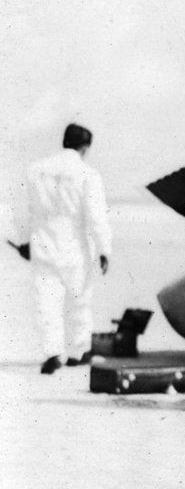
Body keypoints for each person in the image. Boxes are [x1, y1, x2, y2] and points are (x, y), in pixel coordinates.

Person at [21, 123, 112, 374]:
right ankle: (77, 352)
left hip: (43, 242)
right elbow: (96, 216)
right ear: (85, 147)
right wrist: (104, 249)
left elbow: (25, 210)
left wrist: (23, 242)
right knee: (79, 300)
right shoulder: (87, 174)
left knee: (46, 301)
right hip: (74, 246)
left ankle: (52, 353)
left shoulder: (35, 170)